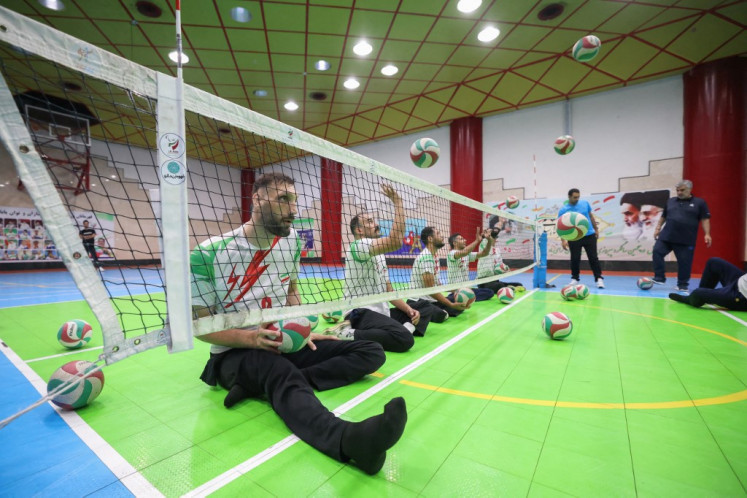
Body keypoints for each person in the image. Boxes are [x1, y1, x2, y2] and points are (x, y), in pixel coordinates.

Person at [190, 172, 406, 475]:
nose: (293, 209)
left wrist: (303, 330)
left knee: (369, 351)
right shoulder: (207, 253)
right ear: (257, 198)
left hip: (280, 340)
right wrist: (250, 339)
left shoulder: (290, 243)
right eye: (283, 200)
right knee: (275, 369)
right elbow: (199, 327)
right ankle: (349, 441)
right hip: (233, 353)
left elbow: (291, 291)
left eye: (295, 200)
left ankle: (265, 386)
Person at [326, 184, 415, 352]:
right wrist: (397, 202)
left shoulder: (379, 253)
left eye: (374, 220)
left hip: (379, 311)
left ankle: (388, 328)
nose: (376, 224)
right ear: (359, 230)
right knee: (405, 339)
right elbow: (395, 241)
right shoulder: (358, 246)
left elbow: (388, 289)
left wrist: (409, 310)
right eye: (369, 221)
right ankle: (347, 333)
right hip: (360, 311)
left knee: (417, 313)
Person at [652, 180, 711, 292]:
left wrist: (707, 234)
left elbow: (705, 219)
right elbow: (663, 216)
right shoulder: (670, 201)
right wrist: (658, 228)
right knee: (657, 251)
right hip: (666, 236)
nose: (679, 192)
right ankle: (659, 277)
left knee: (685, 263)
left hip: (686, 239)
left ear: (690, 189)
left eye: (682, 190)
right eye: (678, 190)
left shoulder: (700, 203)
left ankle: (682, 285)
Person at [409, 226, 468, 319]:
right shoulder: (426, 258)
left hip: (431, 299)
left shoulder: (435, 256)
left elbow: (437, 285)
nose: (442, 236)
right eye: (438, 234)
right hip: (418, 301)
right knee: (443, 315)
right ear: (430, 239)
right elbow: (430, 289)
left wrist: (455, 290)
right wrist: (450, 304)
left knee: (460, 305)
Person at [559, 188, 604, 288]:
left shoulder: (585, 204)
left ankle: (599, 279)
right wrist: (563, 240)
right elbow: (561, 226)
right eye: (575, 197)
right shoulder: (564, 210)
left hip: (589, 235)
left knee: (593, 258)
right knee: (575, 258)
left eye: (578, 197)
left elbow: (591, 216)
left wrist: (596, 229)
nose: (577, 199)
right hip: (574, 237)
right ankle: (575, 279)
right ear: (569, 197)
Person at [668, 257, 747, 311]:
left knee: (698, 293)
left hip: (741, 296)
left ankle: (689, 299)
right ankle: (706, 295)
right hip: (740, 280)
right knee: (714, 262)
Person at [476, 216, 526, 293]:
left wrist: (505, 269)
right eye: (489, 233)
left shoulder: (497, 251)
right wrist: (501, 222)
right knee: (498, 286)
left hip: (494, 279)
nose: (494, 237)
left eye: (494, 237)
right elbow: (496, 230)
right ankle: (508, 288)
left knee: (518, 284)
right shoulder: (484, 244)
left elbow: (499, 265)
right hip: (484, 281)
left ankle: (509, 288)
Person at [446, 227, 495, 301]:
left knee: (490, 292)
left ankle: (468, 298)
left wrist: (489, 240)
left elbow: (484, 253)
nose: (465, 240)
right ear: (454, 243)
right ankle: (459, 298)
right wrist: (477, 240)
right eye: (461, 239)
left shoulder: (467, 255)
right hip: (456, 291)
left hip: (466, 289)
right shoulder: (451, 254)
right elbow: (464, 252)